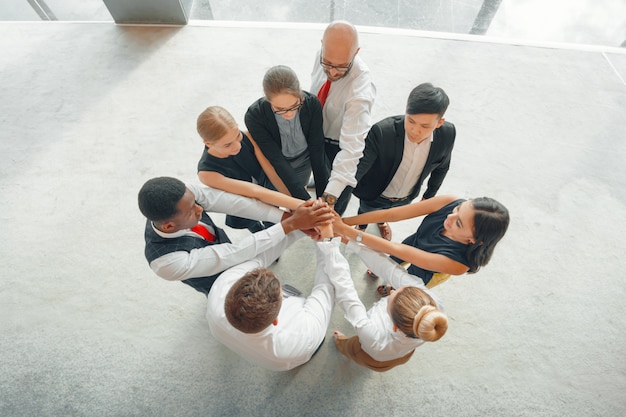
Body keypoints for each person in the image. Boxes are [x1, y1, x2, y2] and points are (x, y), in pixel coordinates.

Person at [138, 176, 331, 295]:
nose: (200, 208)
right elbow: (234, 253)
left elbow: (234, 203)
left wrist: (287, 218)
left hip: (221, 246)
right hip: (215, 279)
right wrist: (292, 224)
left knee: (260, 260)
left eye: (196, 202)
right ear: (169, 225)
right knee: (241, 291)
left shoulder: (183, 196)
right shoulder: (166, 263)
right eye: (191, 211)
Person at [206, 227, 346, 371]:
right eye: (281, 293)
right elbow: (325, 287)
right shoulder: (303, 334)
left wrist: (299, 227)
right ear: (276, 320)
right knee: (316, 332)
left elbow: (259, 258)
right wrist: (325, 242)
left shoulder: (221, 288)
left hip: (239, 342)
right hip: (298, 352)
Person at [353, 83, 455, 241]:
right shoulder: (383, 132)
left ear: (439, 123)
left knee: (386, 214)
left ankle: (381, 222)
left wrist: (429, 196)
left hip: (406, 197)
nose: (415, 130)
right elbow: (360, 166)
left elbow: (442, 166)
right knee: (366, 211)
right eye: (411, 121)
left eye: (425, 126)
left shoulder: (448, 134)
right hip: (376, 193)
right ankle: (361, 226)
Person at [336, 195, 509, 288]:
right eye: (458, 209)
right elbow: (392, 214)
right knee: (391, 260)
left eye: (458, 222)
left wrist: (346, 231)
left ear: (474, 240)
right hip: (415, 241)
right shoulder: (449, 201)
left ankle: (391, 288)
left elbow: (396, 248)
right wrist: (346, 221)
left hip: (428, 272)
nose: (450, 216)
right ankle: (378, 272)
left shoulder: (458, 265)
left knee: (405, 284)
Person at [330, 237, 447, 372]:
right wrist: (352, 243)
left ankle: (341, 342)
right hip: (404, 354)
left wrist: (330, 251)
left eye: (392, 296)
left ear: (395, 327)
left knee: (350, 348)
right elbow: (390, 270)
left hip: (375, 358)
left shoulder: (373, 336)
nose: (391, 292)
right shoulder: (432, 303)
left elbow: (347, 295)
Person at [310, 20, 376, 215]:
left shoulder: (360, 91)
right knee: (319, 172)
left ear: (356, 53)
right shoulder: (321, 55)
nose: (331, 72)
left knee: (336, 196)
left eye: (340, 67)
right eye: (327, 64)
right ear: (322, 45)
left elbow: (351, 150)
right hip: (317, 131)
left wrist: (330, 197)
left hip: (340, 144)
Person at [197, 106, 288, 233]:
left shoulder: (246, 136)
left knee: (272, 221)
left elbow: (270, 171)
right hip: (243, 200)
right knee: (251, 222)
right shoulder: (207, 172)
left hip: (264, 184)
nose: (238, 146)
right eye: (228, 144)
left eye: (237, 136)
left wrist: (290, 197)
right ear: (208, 144)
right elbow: (254, 192)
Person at [244, 65, 329, 201]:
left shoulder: (311, 104)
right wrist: (307, 202)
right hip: (272, 167)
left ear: (299, 94)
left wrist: (322, 197)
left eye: (294, 105)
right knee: (271, 203)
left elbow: (317, 151)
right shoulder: (255, 116)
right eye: (280, 109)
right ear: (268, 100)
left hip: (303, 161)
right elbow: (276, 159)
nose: (289, 114)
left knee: (299, 195)